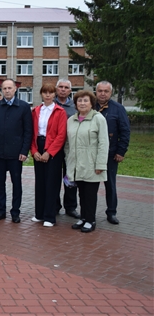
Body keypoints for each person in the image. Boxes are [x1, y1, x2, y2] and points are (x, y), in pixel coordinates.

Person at [0, 79, 33, 223]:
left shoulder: (24, 107)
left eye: (9, 88)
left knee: (17, 184)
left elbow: (28, 131)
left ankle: (15, 212)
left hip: (16, 154)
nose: (7, 90)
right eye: (4, 88)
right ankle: (1, 211)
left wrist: (24, 151)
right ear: (2, 90)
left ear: (15, 89)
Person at [65, 90, 109, 233]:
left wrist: (100, 164)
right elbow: (67, 144)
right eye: (79, 101)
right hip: (76, 163)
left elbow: (104, 143)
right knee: (81, 193)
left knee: (90, 194)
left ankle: (91, 220)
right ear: (75, 104)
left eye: (85, 101)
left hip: (91, 163)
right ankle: (83, 218)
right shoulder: (71, 120)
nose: (82, 103)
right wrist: (68, 160)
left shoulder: (98, 119)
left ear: (91, 103)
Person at [30, 84, 67, 227]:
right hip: (38, 145)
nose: (47, 95)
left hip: (53, 150)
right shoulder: (36, 110)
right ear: (41, 94)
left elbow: (61, 135)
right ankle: (39, 214)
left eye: (50, 93)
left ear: (54, 95)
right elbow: (32, 133)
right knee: (40, 182)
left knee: (51, 183)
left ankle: (50, 216)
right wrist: (34, 151)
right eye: (45, 92)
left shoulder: (60, 111)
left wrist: (49, 152)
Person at [95, 81, 131, 225]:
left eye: (106, 91)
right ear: (95, 91)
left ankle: (111, 212)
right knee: (90, 186)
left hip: (110, 154)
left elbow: (125, 131)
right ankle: (89, 213)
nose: (103, 93)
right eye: (100, 91)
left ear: (111, 93)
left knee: (110, 184)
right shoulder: (90, 106)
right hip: (92, 154)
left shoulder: (118, 109)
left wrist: (121, 151)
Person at [54, 79, 80, 219]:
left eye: (66, 87)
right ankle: (55, 205)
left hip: (71, 148)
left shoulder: (75, 107)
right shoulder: (50, 104)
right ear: (56, 89)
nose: (63, 89)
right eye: (61, 87)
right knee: (54, 178)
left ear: (70, 90)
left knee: (71, 178)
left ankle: (70, 207)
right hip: (54, 148)